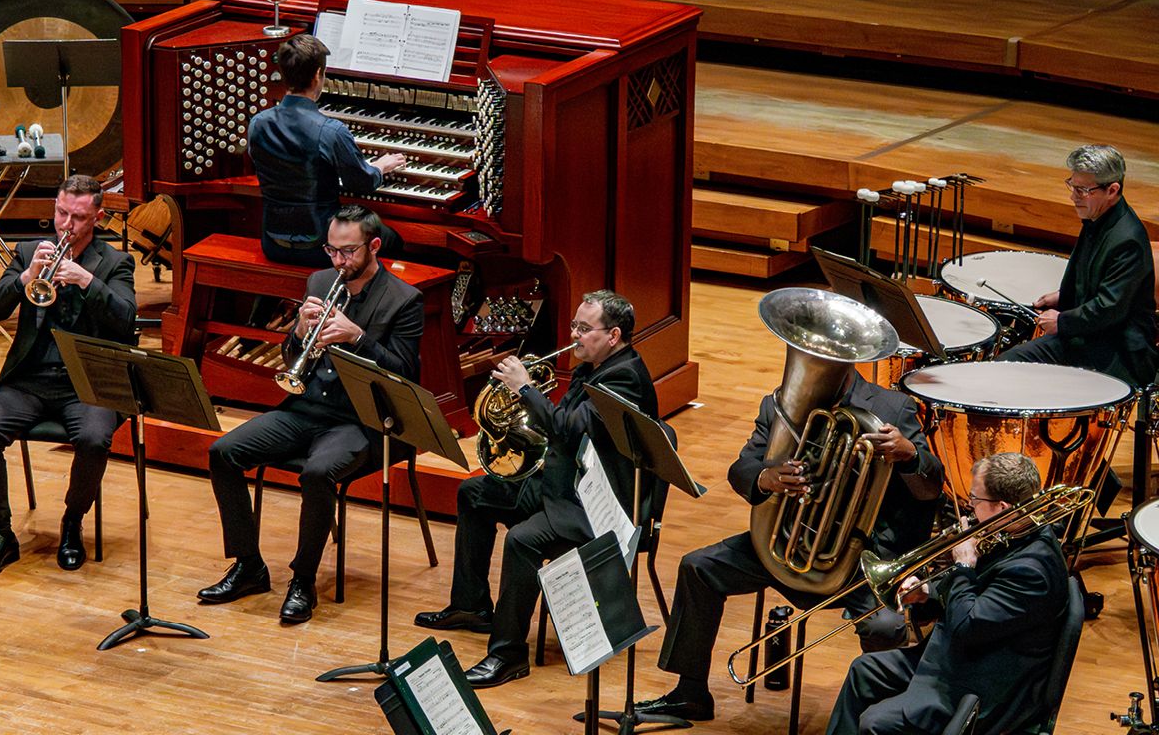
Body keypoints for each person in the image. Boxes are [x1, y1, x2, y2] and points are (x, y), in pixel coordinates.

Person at [635, 369, 943, 722]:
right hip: (786, 544)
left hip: (857, 559)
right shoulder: (781, 404)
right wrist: (766, 478)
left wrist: (911, 456)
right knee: (698, 567)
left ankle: (879, 716)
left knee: (884, 627)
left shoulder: (892, 406)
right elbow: (742, 467)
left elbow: (931, 488)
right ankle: (690, 693)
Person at [414, 290, 657, 688]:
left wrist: (525, 389)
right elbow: (565, 424)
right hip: (558, 483)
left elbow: (564, 428)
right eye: (574, 325)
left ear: (613, 335)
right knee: (473, 494)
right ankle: (471, 606)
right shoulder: (595, 364)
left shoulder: (624, 376)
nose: (575, 335)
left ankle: (507, 654)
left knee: (522, 541)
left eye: (584, 328)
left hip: (591, 504)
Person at [197, 206, 423, 623]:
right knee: (223, 451)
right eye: (332, 251)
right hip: (306, 407)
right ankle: (248, 565)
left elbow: (406, 375)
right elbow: (291, 356)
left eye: (348, 253)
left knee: (318, 474)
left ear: (374, 247)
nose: (338, 262)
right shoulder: (319, 281)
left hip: (360, 420)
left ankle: (302, 580)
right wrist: (299, 332)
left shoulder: (404, 300)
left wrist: (358, 338)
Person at [825, 452, 1069, 735]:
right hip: (962, 655)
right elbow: (981, 594)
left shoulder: (1032, 571)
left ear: (1002, 508)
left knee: (876, 723)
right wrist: (928, 592)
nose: (969, 506)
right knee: (863, 672)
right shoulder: (1014, 530)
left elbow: (968, 624)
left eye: (975, 500)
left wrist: (963, 566)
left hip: (982, 686)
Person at [0, 174, 137, 577]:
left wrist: (86, 280)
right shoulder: (29, 251)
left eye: (78, 217)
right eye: (62, 212)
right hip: (29, 379)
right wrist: (26, 278)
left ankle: (72, 522)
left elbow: (127, 321)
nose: (67, 225)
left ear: (97, 217)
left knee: (95, 440)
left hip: (87, 383)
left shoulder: (115, 262)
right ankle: (1, 533)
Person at [998, 144, 1157, 388]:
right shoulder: (1098, 217)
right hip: (1087, 336)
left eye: (1082, 190)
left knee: (1025, 380)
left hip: (1117, 353)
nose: (1073, 196)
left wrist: (1062, 321)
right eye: (1072, 186)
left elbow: (1109, 307)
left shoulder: (1127, 240)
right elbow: (1095, 278)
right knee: (1005, 367)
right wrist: (1064, 296)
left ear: (1112, 190)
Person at [250, 33, 407, 266]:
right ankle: (368, 300)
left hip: (273, 243)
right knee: (392, 240)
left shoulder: (258, 123)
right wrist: (379, 168)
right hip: (325, 247)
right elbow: (360, 182)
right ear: (317, 75)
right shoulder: (331, 131)